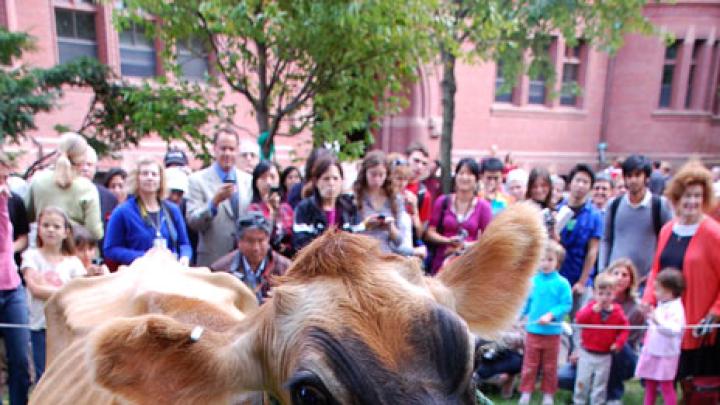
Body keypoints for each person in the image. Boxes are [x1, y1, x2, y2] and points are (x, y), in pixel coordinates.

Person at [642, 160, 720, 381]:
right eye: (687, 195)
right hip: (666, 322)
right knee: (664, 382)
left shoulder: (714, 234)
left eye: (697, 195)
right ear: (677, 198)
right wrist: (648, 299)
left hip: (699, 326)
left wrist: (715, 311)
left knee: (695, 387)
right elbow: (656, 270)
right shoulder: (667, 230)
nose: (692, 201)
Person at [557, 258, 645, 404]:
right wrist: (578, 350)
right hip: (589, 350)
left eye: (625, 275)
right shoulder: (592, 302)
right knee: (564, 377)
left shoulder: (633, 308)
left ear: (631, 280)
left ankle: (612, 395)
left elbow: (629, 335)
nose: (620, 278)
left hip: (615, 354)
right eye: (616, 273)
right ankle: (582, 395)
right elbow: (578, 322)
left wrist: (617, 343)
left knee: (616, 355)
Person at [21, 206, 87, 381]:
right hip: (40, 327)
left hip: (67, 327)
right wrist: (64, 291)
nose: (50, 230)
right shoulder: (31, 257)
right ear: (39, 228)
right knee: (43, 376)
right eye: (46, 225)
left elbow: (78, 293)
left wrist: (49, 289)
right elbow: (35, 288)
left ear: (66, 232)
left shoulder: (73, 263)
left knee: (66, 377)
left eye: (56, 226)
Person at [599, 154, 673, 287]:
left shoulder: (659, 205)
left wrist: (657, 273)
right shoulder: (614, 205)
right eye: (629, 176)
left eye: (638, 175)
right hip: (615, 281)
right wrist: (603, 271)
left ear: (646, 177)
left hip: (646, 282)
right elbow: (606, 239)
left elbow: (668, 241)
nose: (633, 180)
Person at [104, 158, 192, 266]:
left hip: (170, 272)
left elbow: (185, 244)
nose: (150, 178)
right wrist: (144, 257)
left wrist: (184, 256)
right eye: (145, 174)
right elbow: (110, 249)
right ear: (137, 179)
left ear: (161, 180)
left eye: (154, 174)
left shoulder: (172, 210)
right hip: (137, 274)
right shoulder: (122, 212)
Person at [186, 128, 253, 266]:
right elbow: (193, 222)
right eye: (223, 148)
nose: (227, 153)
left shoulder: (249, 181)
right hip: (212, 259)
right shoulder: (197, 180)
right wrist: (213, 203)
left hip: (245, 259)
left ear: (237, 150)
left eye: (231, 149)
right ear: (214, 149)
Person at [518, 240, 572, 405]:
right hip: (533, 331)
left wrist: (551, 315)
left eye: (550, 260)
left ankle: (548, 394)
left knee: (550, 367)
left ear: (558, 262)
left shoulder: (562, 283)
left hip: (552, 333)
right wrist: (519, 317)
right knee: (530, 365)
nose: (545, 263)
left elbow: (566, 304)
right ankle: (526, 392)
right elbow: (526, 302)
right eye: (542, 259)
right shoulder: (533, 281)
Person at [25, 132, 103, 240]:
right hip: (74, 250)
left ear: (58, 152)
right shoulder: (87, 188)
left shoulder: (37, 180)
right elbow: (94, 231)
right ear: (82, 159)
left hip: (42, 248)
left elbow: (28, 216)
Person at [425, 158, 492, 274]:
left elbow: (488, 240)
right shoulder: (443, 201)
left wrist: (465, 245)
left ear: (476, 179)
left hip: (468, 266)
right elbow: (430, 232)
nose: (465, 177)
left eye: (469, 174)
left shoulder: (483, 207)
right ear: (455, 177)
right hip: (441, 265)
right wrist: (447, 240)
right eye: (461, 173)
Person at [0, 158, 30, 404]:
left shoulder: (13, 201)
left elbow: (22, 236)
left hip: (12, 287)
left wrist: (8, 249)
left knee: (20, 358)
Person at [210, 212, 291, 305]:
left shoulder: (286, 269)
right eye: (250, 241)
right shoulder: (221, 271)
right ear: (239, 242)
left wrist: (279, 304)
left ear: (268, 240)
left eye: (261, 241)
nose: (256, 248)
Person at [573, 272, 629, 405]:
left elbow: (625, 328)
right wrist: (592, 311)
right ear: (595, 293)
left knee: (600, 383)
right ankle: (579, 401)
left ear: (614, 294)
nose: (604, 298)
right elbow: (579, 319)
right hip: (587, 353)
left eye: (608, 294)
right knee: (582, 381)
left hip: (604, 355)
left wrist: (618, 343)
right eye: (601, 293)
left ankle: (597, 402)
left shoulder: (617, 312)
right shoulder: (590, 307)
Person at [556, 164, 603, 313]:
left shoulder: (594, 215)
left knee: (578, 322)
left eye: (585, 182)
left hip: (579, 277)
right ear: (570, 183)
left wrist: (582, 282)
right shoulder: (557, 209)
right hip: (557, 275)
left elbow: (592, 251)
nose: (580, 185)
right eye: (578, 180)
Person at [636, 268, 685, 405]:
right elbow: (654, 324)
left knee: (666, 386)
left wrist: (657, 320)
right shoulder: (662, 305)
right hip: (652, 350)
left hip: (666, 354)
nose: (654, 293)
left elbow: (674, 329)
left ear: (669, 291)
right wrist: (649, 316)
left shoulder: (676, 309)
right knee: (650, 384)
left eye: (658, 290)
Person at [292, 155, 359, 251]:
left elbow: (359, 241)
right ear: (316, 181)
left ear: (341, 180)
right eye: (326, 178)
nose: (331, 183)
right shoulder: (304, 208)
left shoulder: (350, 208)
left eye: (335, 178)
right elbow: (301, 244)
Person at [353, 151, 405, 254]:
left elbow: (399, 241)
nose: (377, 179)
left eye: (381, 175)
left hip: (385, 254)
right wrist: (365, 224)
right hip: (361, 254)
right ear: (365, 173)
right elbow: (346, 230)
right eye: (373, 174)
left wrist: (390, 227)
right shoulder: (355, 196)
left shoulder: (394, 199)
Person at [248, 160, 294, 258]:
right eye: (263, 177)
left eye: (272, 177)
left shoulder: (287, 209)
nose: (268, 182)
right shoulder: (252, 210)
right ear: (256, 182)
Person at [387, 155, 426, 259]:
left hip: (406, 259)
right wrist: (414, 251)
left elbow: (418, 234)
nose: (402, 184)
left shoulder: (402, 199)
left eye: (405, 179)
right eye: (399, 178)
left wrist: (415, 210)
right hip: (394, 260)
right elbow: (388, 243)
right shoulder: (386, 202)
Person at [405, 142, 433, 226]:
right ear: (406, 159)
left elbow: (421, 233)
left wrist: (415, 214)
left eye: (424, 164)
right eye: (416, 161)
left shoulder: (424, 194)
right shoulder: (391, 184)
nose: (420, 167)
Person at [526, 167, 556, 238]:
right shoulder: (526, 209)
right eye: (534, 186)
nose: (539, 190)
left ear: (550, 186)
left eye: (543, 185)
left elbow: (556, 238)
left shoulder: (552, 207)